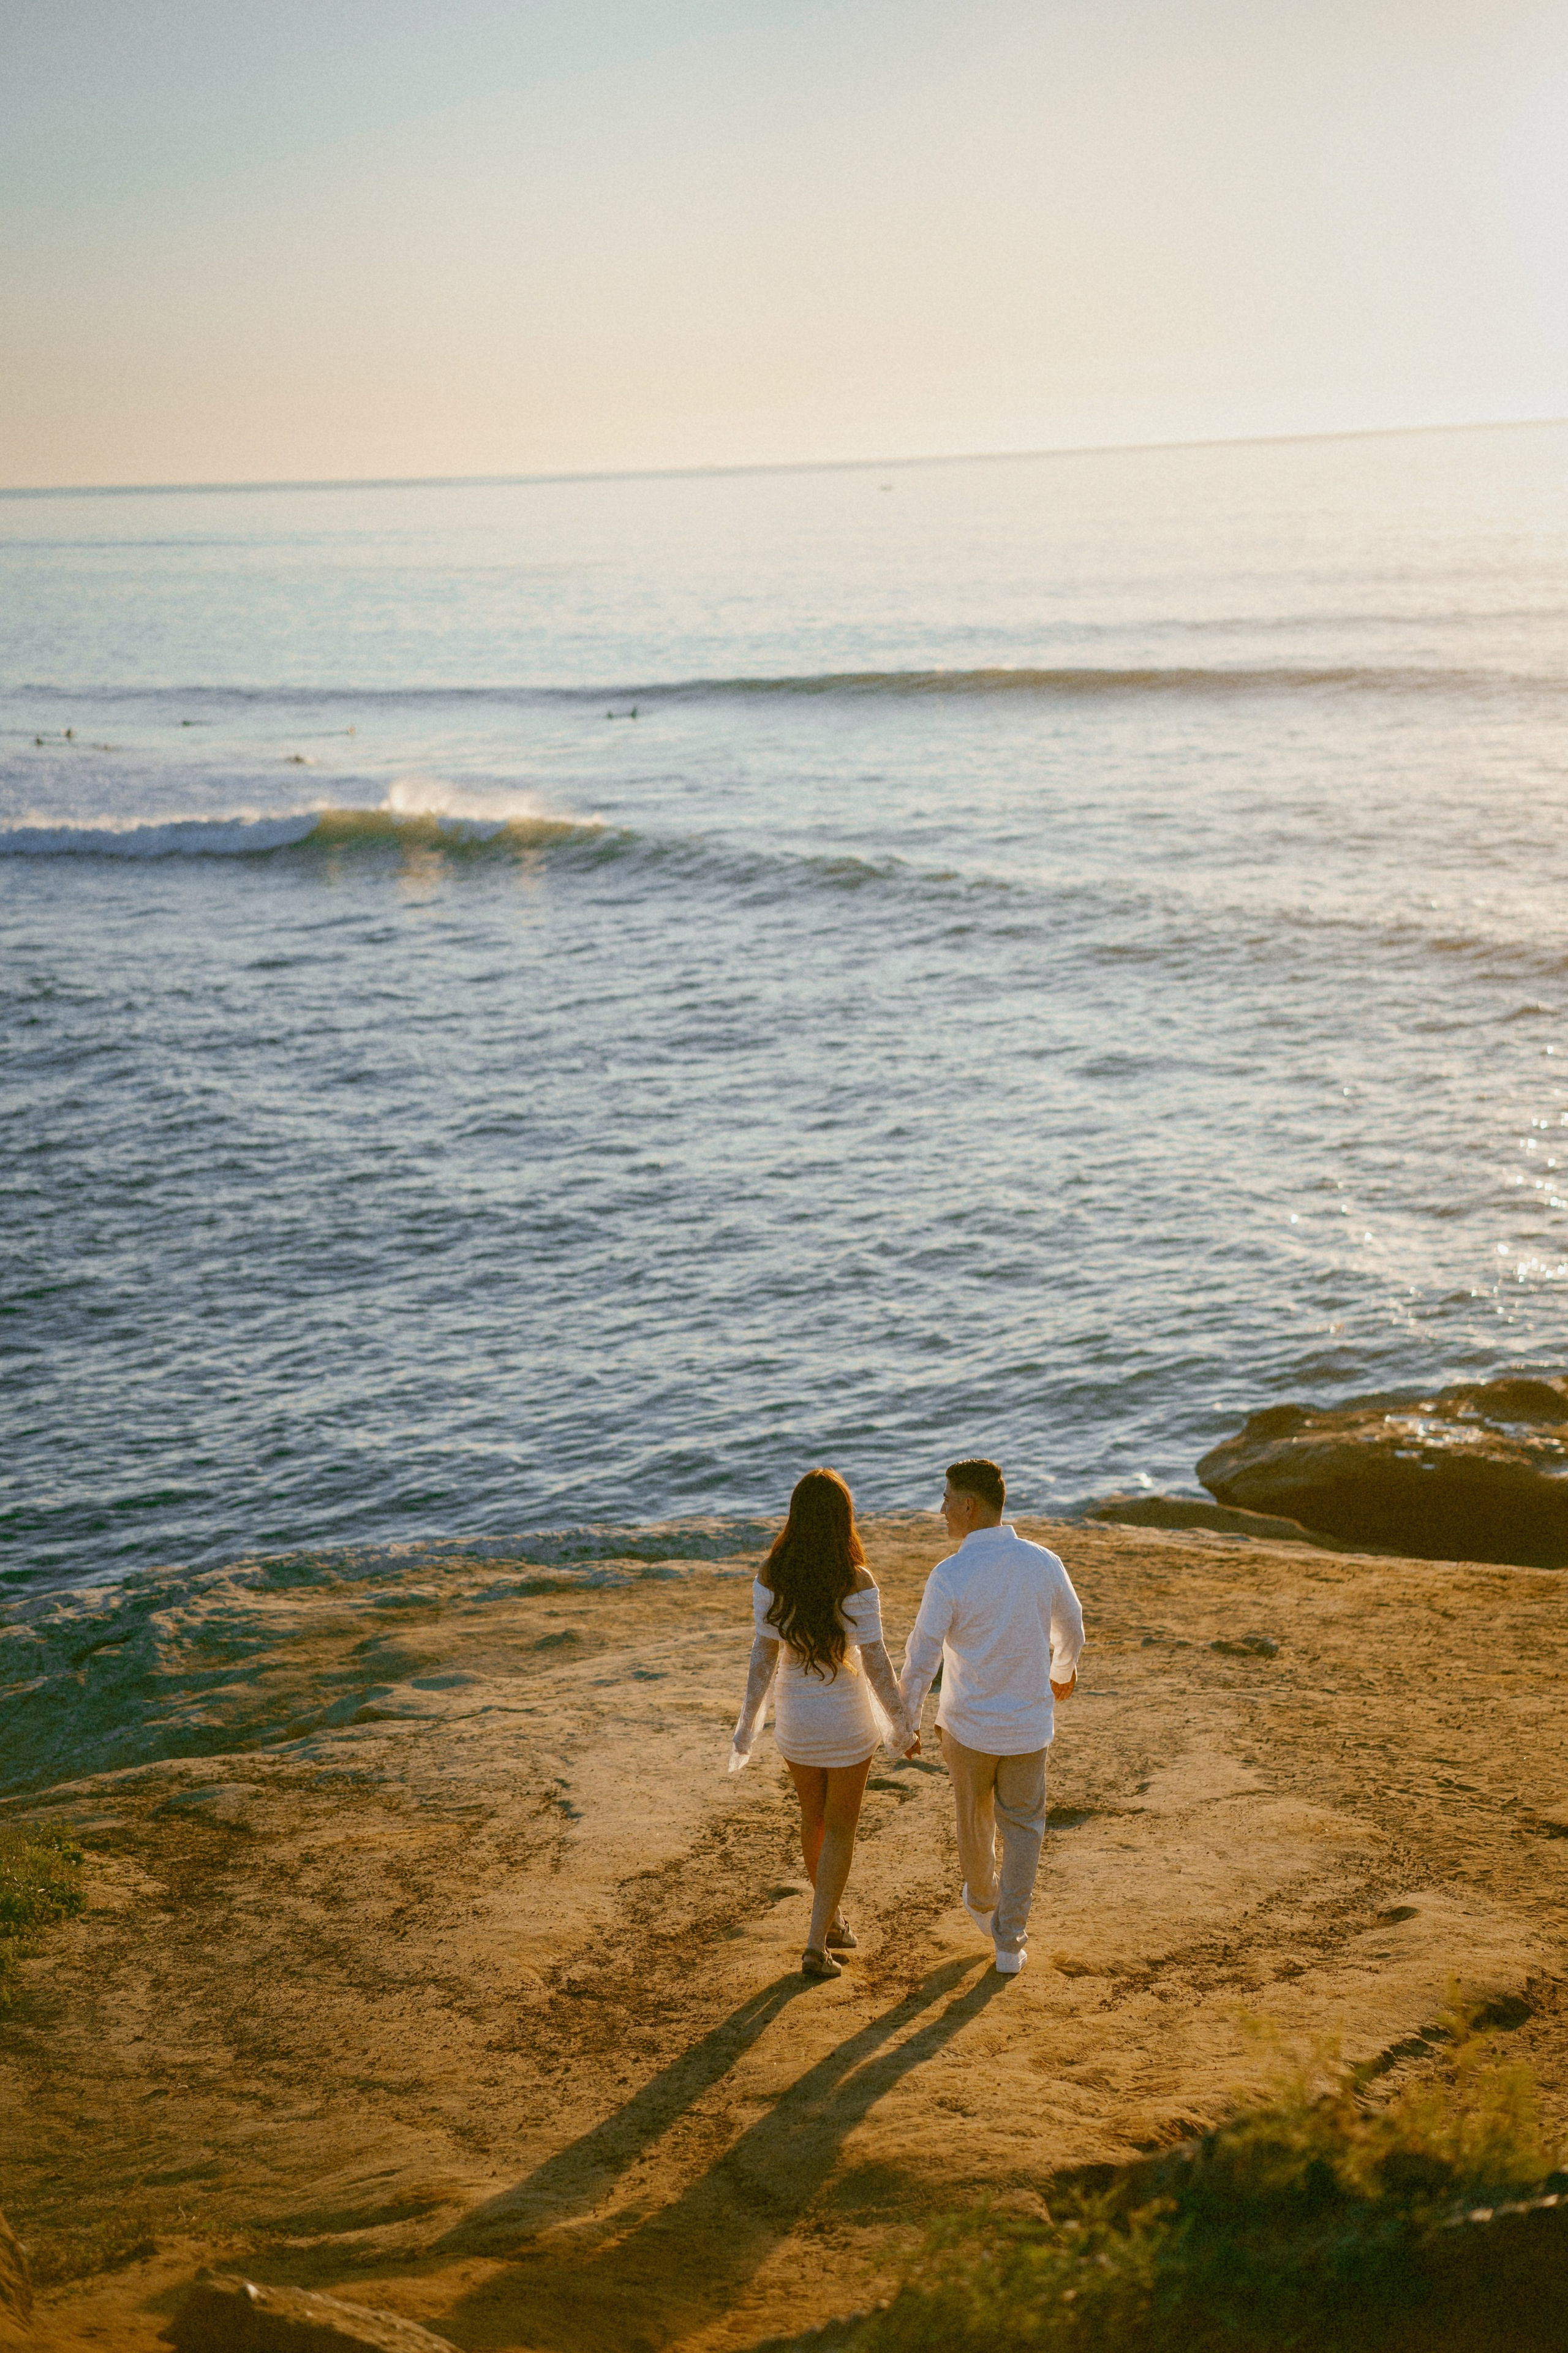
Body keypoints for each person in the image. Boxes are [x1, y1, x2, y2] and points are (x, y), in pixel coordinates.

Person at [900, 1457, 1084, 1977]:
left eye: (945, 1498)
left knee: (974, 1819)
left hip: (968, 1726)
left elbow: (922, 1655)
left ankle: (982, 1902)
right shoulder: (1043, 1561)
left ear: (969, 1504)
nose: (941, 1509)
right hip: (1027, 1726)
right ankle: (1010, 1944)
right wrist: (1063, 1669)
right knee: (1024, 1827)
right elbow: (1072, 1626)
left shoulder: (951, 1574)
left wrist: (905, 1722)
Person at [730, 1467, 916, 1979]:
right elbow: (876, 1662)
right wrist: (902, 1724)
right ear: (843, 1519)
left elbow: (762, 1655)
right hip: (847, 1719)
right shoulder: (856, 1579)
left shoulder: (772, 1574)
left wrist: (748, 1723)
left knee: (813, 1820)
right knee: (840, 1827)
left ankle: (831, 1922)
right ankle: (816, 1943)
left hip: (797, 1719)